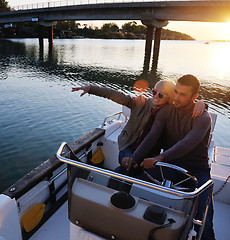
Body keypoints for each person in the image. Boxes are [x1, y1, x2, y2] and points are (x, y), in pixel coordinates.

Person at [123, 74, 215, 240]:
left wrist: (159, 158)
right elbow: (152, 137)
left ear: (195, 97)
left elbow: (187, 143)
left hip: (197, 169)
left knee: (204, 215)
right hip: (169, 165)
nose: (177, 98)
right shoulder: (166, 111)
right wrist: (134, 159)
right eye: (176, 92)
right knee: (124, 173)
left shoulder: (203, 118)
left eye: (183, 94)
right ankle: (120, 218)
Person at [72, 80, 205, 176]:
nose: (155, 97)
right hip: (128, 146)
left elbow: (187, 107)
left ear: (170, 98)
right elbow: (116, 95)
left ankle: (120, 195)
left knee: (133, 170)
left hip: (150, 153)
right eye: (154, 92)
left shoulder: (170, 112)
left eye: (160, 95)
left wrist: (202, 104)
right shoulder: (140, 103)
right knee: (129, 166)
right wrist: (91, 88)